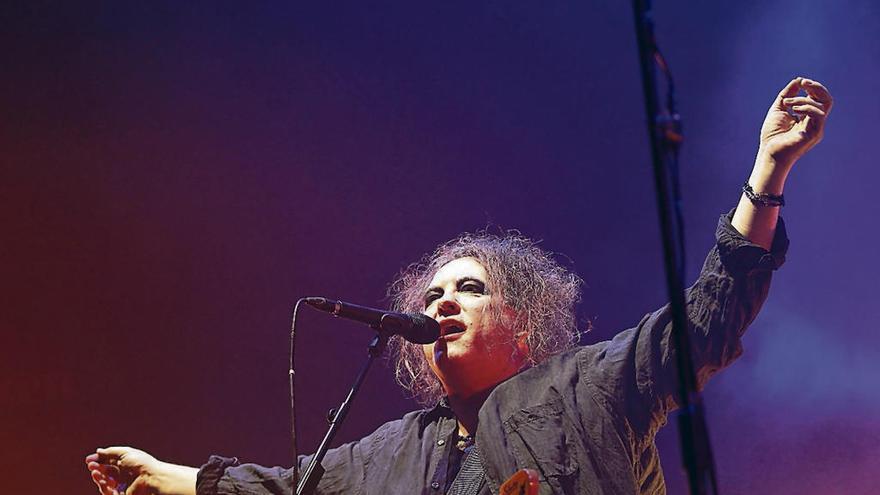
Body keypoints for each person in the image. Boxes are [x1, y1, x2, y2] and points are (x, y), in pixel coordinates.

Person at [85, 77, 832, 495]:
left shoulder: (591, 385)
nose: (440, 302)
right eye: (432, 294)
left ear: (524, 319)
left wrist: (766, 176)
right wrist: (167, 475)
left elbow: (704, 318)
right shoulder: (390, 452)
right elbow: (281, 490)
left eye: (468, 288)